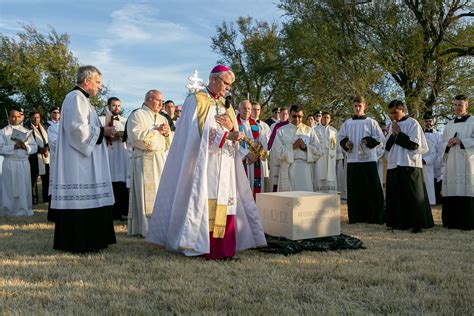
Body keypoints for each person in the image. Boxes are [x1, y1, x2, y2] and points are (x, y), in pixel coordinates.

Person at [146, 65, 266, 260]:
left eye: (230, 85)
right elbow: (195, 135)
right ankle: (205, 245)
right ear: (214, 79)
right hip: (204, 163)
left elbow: (234, 133)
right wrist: (226, 134)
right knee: (206, 199)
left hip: (225, 162)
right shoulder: (196, 101)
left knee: (227, 201)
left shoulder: (227, 106)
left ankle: (225, 247)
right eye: (226, 83)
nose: (228, 88)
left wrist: (235, 136)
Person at [50, 65, 116, 253]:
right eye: (97, 82)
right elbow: (78, 131)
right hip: (79, 163)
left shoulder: (83, 100)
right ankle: (81, 241)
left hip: (87, 160)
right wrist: (104, 131)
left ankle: (93, 240)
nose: (99, 87)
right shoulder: (75, 98)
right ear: (86, 81)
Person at [127, 90, 173, 237]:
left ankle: (160, 227)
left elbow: (169, 143)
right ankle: (145, 229)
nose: (161, 103)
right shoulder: (137, 115)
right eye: (158, 100)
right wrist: (157, 132)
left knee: (161, 194)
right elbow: (136, 137)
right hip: (145, 160)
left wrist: (166, 134)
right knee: (146, 195)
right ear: (148, 99)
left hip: (160, 160)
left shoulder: (163, 118)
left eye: (162, 101)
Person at [385, 99, 433, 232]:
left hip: (409, 163)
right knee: (397, 195)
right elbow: (387, 147)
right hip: (395, 163)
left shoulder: (413, 123)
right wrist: (394, 134)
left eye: (395, 112)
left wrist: (399, 134)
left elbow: (415, 145)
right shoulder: (392, 125)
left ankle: (417, 224)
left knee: (413, 195)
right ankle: (400, 222)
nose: (393, 115)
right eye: (390, 113)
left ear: (402, 110)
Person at [338, 96, 385, 224]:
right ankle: (356, 217)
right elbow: (340, 138)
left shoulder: (371, 122)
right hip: (353, 160)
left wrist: (368, 140)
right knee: (355, 190)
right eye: (355, 106)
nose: (357, 108)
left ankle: (374, 217)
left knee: (371, 188)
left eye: (360, 106)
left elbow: (380, 138)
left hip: (368, 159)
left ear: (365, 106)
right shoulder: (347, 123)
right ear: (352, 107)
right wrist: (346, 143)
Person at [440, 95, 473, 230]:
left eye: (460, 105)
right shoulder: (449, 124)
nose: (457, 108)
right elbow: (440, 143)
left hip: (467, 162)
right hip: (452, 162)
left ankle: (468, 222)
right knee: (452, 189)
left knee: (467, 189)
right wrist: (447, 144)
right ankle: (451, 222)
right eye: (455, 105)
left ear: (467, 105)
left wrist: (461, 141)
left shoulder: (473, 121)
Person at [273, 105, 321, 191]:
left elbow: (318, 151)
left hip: (305, 168)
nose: (297, 119)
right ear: (289, 116)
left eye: (300, 116)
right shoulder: (282, 130)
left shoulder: (309, 131)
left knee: (305, 198)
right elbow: (277, 151)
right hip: (288, 168)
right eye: (294, 116)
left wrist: (305, 147)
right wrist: (292, 146)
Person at [0, 108, 37, 216]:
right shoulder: (3, 131)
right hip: (9, 163)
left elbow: (34, 147)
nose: (15, 118)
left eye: (17, 116)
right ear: (9, 117)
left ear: (20, 117)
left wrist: (25, 146)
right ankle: (9, 210)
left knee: (24, 186)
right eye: (13, 116)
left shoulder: (26, 132)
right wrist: (14, 146)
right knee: (9, 188)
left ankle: (24, 208)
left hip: (24, 163)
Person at [99, 97, 129, 220]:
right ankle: (110, 212)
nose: (117, 108)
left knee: (121, 184)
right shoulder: (101, 119)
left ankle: (122, 211)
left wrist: (123, 135)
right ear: (108, 106)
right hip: (108, 154)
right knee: (110, 182)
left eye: (119, 106)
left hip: (122, 154)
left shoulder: (125, 121)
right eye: (114, 105)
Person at [237, 100, 268, 198]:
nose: (247, 111)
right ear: (239, 110)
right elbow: (232, 143)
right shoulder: (234, 124)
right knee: (243, 191)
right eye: (244, 108)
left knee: (256, 191)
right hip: (242, 161)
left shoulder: (257, 126)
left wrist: (257, 155)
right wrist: (247, 154)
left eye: (249, 108)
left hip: (255, 163)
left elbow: (263, 142)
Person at [313, 112, 343, 192]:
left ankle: (331, 194)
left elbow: (337, 145)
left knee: (331, 175)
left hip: (331, 157)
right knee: (319, 175)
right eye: (324, 117)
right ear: (321, 118)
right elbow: (312, 144)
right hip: (320, 157)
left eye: (328, 118)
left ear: (330, 119)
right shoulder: (315, 130)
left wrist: (337, 159)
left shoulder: (334, 131)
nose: (326, 119)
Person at [28, 111, 50, 204]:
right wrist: (41, 150)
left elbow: (48, 140)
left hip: (45, 157)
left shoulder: (44, 127)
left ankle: (46, 198)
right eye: (34, 117)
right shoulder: (27, 128)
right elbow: (28, 143)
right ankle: (34, 199)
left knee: (46, 179)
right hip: (33, 157)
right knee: (33, 181)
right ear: (30, 118)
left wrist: (46, 149)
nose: (36, 119)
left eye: (38, 117)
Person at [268, 107, 290, 191]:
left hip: (284, 154)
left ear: (288, 115)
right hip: (274, 154)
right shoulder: (274, 126)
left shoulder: (289, 126)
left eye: (286, 114)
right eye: (282, 113)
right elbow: (270, 140)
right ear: (279, 114)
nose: (284, 115)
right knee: (274, 175)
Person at [251, 101, 271, 192]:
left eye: (258, 109)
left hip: (262, 157)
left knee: (262, 184)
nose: (256, 111)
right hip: (251, 157)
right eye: (254, 109)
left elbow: (269, 141)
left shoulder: (265, 125)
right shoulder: (245, 123)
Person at [421, 112, 439, 205]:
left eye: (430, 121)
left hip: (436, 163)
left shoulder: (438, 135)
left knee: (433, 183)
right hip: (424, 162)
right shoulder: (421, 134)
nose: (428, 123)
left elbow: (439, 150)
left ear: (433, 122)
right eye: (426, 121)